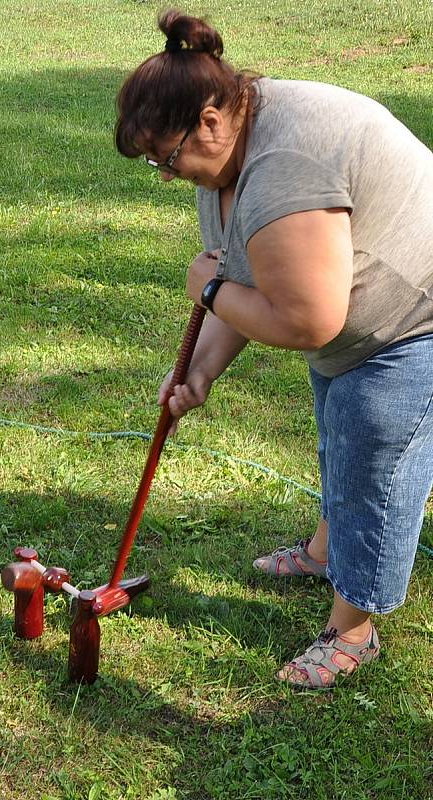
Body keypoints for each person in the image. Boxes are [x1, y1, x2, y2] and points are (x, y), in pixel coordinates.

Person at [114, 9, 433, 689]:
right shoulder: (236, 144)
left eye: (166, 158)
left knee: (372, 457)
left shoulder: (284, 167)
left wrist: (206, 292)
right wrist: (198, 374)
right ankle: (326, 552)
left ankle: (353, 629)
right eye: (154, 165)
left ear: (208, 119)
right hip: (363, 305)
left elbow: (307, 321)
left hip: (415, 312)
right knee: (337, 433)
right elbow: (251, 278)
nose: (167, 176)